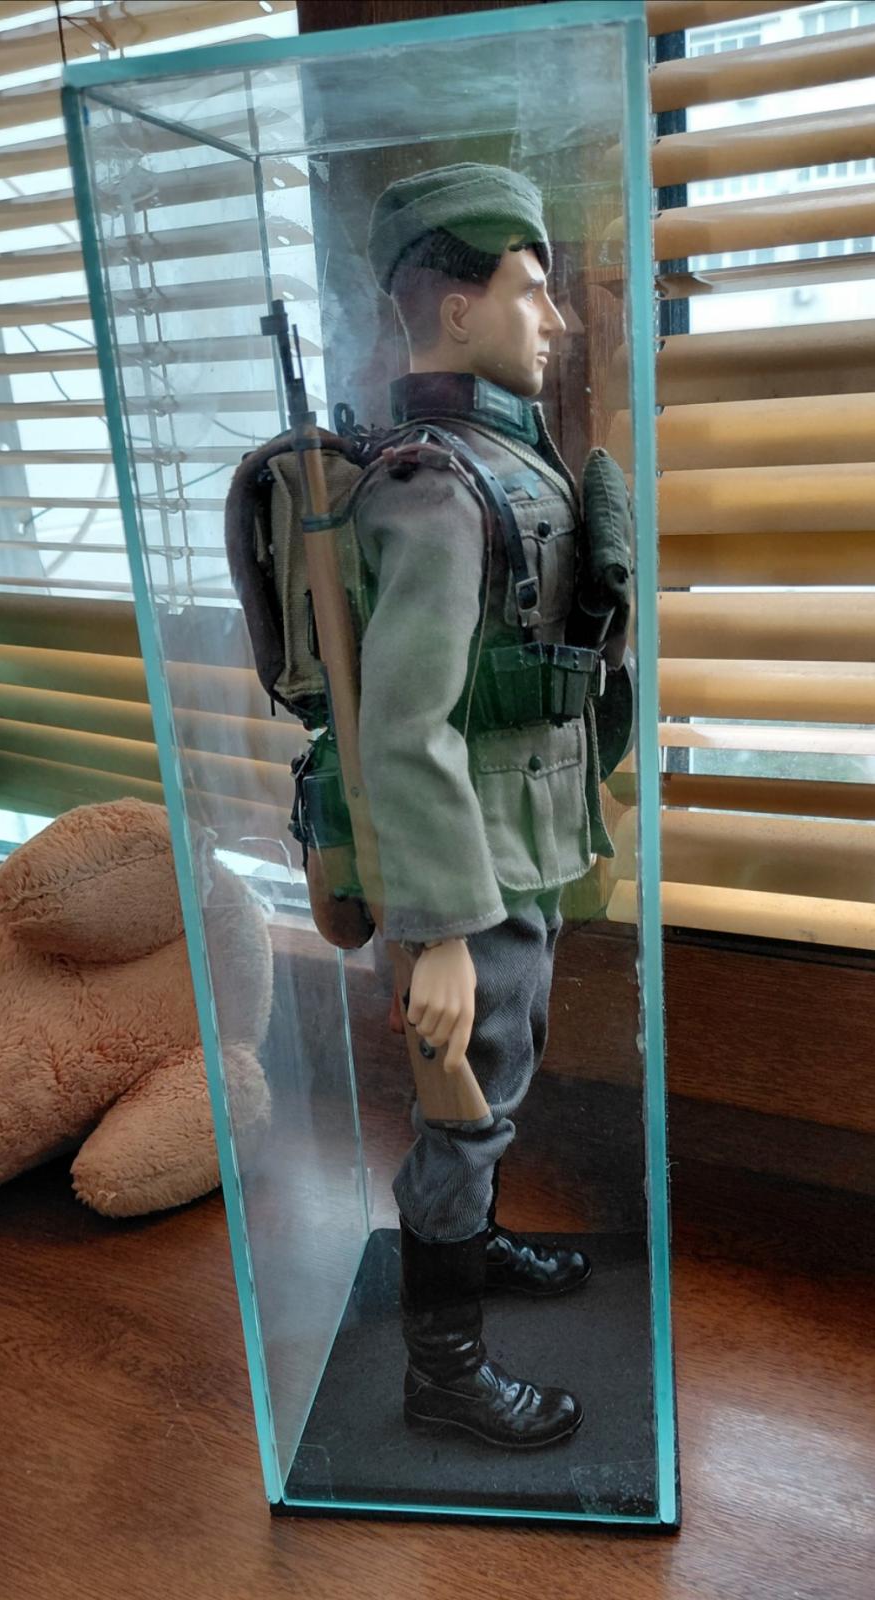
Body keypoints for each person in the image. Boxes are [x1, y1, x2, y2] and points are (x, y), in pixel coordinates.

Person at [355, 163, 619, 1449]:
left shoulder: (505, 458)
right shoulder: (436, 484)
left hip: (521, 839)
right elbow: (404, 726)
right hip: (472, 861)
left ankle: (479, 1239)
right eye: (528, 292)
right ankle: (443, 1372)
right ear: (455, 310)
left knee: (501, 1074)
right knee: (462, 1108)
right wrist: (441, 930)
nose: (552, 319)